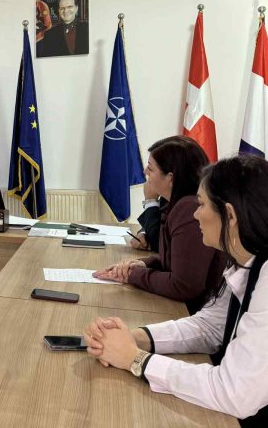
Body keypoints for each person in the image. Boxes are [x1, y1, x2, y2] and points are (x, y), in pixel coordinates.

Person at [84, 155, 268, 426]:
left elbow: (234, 392)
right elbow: (210, 327)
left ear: (229, 215)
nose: (195, 214)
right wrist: (135, 338)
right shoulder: (248, 260)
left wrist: (136, 359)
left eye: (201, 204)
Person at [94, 136, 226, 314]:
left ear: (170, 178)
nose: (145, 172)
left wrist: (132, 275)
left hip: (193, 314)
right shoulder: (176, 203)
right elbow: (174, 261)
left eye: (151, 168)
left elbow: (183, 285)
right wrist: (140, 264)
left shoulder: (189, 209)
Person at [130, 182, 164, 253]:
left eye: (151, 170)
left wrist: (150, 200)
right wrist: (143, 233)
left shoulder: (182, 201)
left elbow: (158, 241)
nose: (145, 173)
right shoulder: (166, 198)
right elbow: (158, 225)